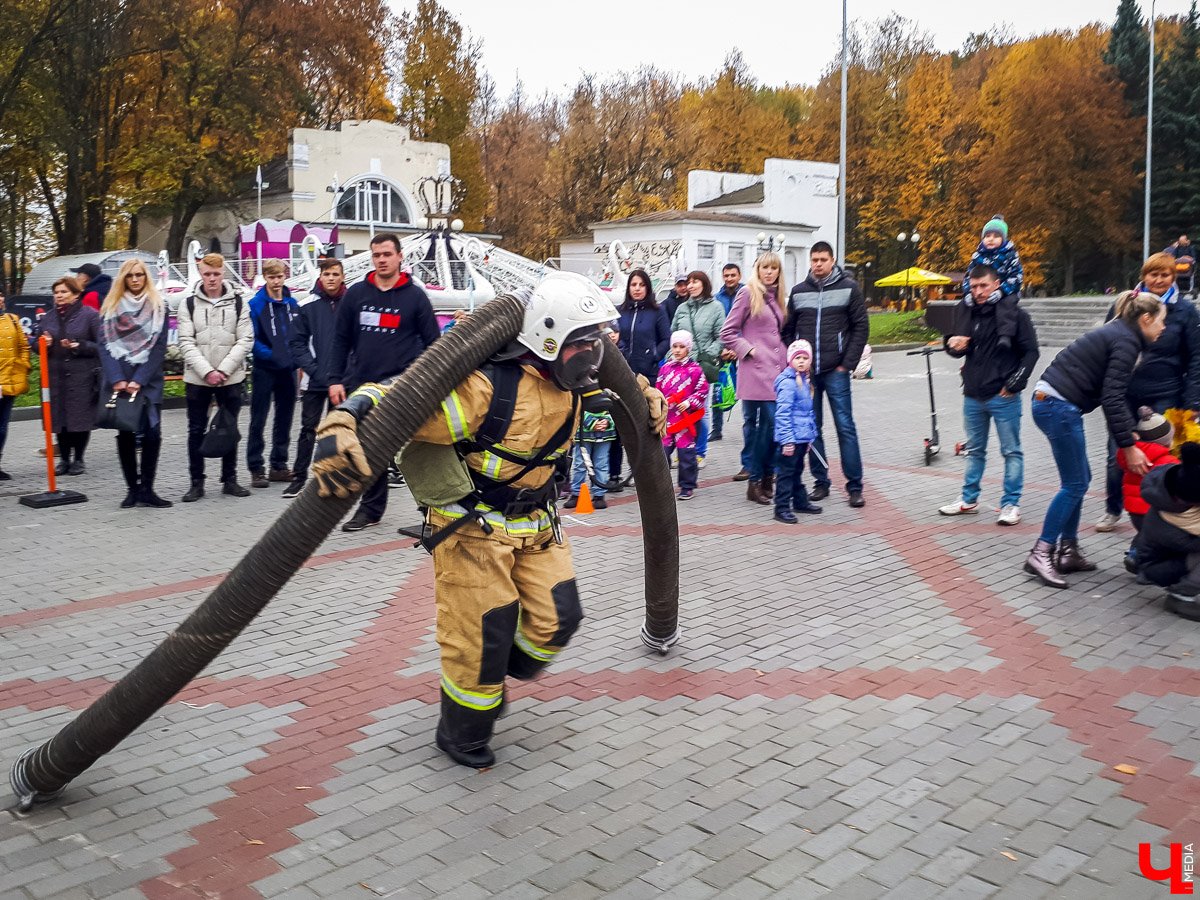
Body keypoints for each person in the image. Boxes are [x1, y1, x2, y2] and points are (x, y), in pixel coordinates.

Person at [309, 272, 666, 767]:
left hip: (539, 527)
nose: (593, 355)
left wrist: (642, 393)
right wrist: (346, 415)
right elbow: (403, 400)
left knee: (559, 619)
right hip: (472, 532)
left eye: (595, 341)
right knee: (480, 636)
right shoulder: (484, 390)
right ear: (545, 338)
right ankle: (463, 732)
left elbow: (616, 390)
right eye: (580, 343)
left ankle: (495, 669)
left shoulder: (571, 386)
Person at [1024, 290, 1167, 588]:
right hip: (1058, 405)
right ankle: (1042, 552)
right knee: (1075, 484)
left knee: (1079, 479)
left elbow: (1112, 395)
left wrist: (1128, 431)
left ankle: (1069, 551)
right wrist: (1128, 446)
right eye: (1161, 321)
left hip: (1052, 402)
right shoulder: (1126, 341)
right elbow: (1112, 398)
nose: (1163, 327)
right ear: (1145, 318)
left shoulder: (1122, 334)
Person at [327, 232, 439, 531]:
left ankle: (433, 512)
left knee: (416, 452)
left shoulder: (415, 297)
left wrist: (434, 384)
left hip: (405, 388)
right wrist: (335, 379)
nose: (381, 260)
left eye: (387, 254)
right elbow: (340, 340)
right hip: (364, 387)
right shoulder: (356, 295)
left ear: (400, 257)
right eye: (376, 255)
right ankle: (370, 511)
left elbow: (434, 345)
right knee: (368, 450)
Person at [1098, 253, 1200, 532]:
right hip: (1125, 394)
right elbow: (1107, 343)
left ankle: (1162, 511)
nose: (1158, 280)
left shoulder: (1186, 311)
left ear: (1173, 278)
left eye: (1164, 275)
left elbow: (1196, 358)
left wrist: (1193, 401)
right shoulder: (1126, 304)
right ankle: (1113, 508)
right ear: (1144, 276)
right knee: (1116, 455)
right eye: (1152, 274)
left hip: (1167, 394)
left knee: (1161, 457)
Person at [938, 266, 1039, 526]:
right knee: (974, 451)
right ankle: (969, 500)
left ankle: (1011, 504)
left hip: (1003, 395)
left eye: (983, 286)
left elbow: (1031, 352)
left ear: (996, 285)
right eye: (973, 287)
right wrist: (950, 344)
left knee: (1011, 451)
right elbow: (958, 347)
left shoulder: (1014, 315)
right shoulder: (968, 312)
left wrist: (1017, 382)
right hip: (973, 394)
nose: (978, 292)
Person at [783, 241, 869, 507]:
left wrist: (847, 364)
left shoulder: (849, 288)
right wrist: (795, 359)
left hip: (836, 370)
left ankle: (855, 486)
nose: (818, 264)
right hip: (807, 375)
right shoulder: (799, 292)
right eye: (814, 259)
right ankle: (821, 482)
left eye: (823, 259)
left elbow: (861, 327)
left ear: (832, 261)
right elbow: (788, 330)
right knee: (811, 429)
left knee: (846, 427)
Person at [177, 252, 254, 502]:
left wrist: (223, 370)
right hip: (198, 379)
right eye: (207, 274)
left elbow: (245, 339)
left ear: (224, 273)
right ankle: (196, 482)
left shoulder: (239, 303)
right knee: (196, 429)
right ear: (201, 274)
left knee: (228, 428)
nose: (212, 279)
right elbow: (185, 341)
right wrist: (207, 371)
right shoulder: (188, 304)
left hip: (230, 378)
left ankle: (229, 479)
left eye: (216, 274)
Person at [98, 259, 172, 508]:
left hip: (147, 382)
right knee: (126, 433)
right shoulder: (110, 307)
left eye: (140, 274)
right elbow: (104, 346)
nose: (136, 279)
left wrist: (139, 380)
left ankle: (147, 489)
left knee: (152, 435)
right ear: (123, 279)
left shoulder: (159, 306)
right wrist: (118, 379)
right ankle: (132, 489)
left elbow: (159, 348)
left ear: (146, 277)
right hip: (120, 380)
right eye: (130, 276)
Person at [720, 252, 787, 505]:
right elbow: (727, 332)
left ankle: (768, 476)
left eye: (773, 268)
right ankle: (755, 480)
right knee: (765, 426)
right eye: (764, 268)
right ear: (757, 270)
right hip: (756, 370)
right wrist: (749, 350)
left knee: (773, 428)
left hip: (777, 371)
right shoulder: (748, 293)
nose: (769, 272)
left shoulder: (778, 297)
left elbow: (778, 333)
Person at [285, 258, 345, 499]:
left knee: (337, 431)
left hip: (341, 381)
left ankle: (330, 478)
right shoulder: (307, 305)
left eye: (335, 274)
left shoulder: (351, 304)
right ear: (320, 277)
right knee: (308, 429)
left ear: (342, 277)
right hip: (313, 381)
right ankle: (299, 478)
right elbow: (297, 343)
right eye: (327, 274)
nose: (330, 278)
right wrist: (315, 370)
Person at [36, 276, 100, 475]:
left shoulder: (90, 315)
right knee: (60, 420)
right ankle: (64, 459)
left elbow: (102, 346)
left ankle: (79, 459)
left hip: (82, 377)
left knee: (79, 420)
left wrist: (80, 346)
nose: (59, 296)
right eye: (56, 292)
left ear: (76, 293)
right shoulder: (48, 316)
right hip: (56, 377)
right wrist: (42, 343)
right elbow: (35, 343)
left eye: (63, 292)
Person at [1130, 441, 1200, 620]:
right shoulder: (1165, 522)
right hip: (1158, 567)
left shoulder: (1177, 481)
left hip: (1176, 556)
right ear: (1182, 500)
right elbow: (1195, 545)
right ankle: (1181, 595)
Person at [613, 269, 669, 489]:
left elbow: (666, 338)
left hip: (646, 376)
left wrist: (655, 355)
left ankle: (640, 471)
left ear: (647, 287)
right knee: (619, 423)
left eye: (641, 285)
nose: (637, 288)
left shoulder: (658, 311)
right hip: (623, 374)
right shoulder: (620, 311)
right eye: (633, 284)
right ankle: (615, 473)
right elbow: (613, 336)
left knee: (643, 423)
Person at [246, 258, 299, 488]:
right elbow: (252, 339)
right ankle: (256, 468)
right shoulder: (255, 304)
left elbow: (298, 334)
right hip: (264, 368)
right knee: (259, 418)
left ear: (285, 276)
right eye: (271, 277)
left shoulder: (292, 303)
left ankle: (279, 464)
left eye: (279, 277)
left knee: (285, 418)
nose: (276, 282)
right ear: (265, 278)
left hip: (287, 369)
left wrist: (295, 356)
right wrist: (272, 355)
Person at [671, 270, 724, 470]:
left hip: (702, 366)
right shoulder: (682, 308)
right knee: (679, 409)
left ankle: (700, 452)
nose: (691, 286)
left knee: (700, 409)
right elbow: (673, 333)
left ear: (704, 284)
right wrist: (672, 358)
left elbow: (721, 336)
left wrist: (709, 354)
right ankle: (683, 449)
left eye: (695, 282)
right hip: (680, 366)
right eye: (689, 282)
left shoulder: (716, 307)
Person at [956, 215, 1024, 349]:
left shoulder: (1010, 255)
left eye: (996, 236)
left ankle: (1005, 335)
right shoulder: (978, 255)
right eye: (987, 236)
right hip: (981, 290)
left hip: (1005, 290)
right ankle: (961, 335)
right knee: (962, 305)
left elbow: (1016, 277)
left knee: (1007, 305)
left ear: (1003, 239)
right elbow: (969, 276)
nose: (991, 239)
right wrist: (968, 292)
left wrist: (1002, 291)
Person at [773, 340, 821, 523]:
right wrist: (787, 440)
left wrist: (809, 437)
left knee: (797, 471)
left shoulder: (805, 381)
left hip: (801, 437)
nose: (801, 361)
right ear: (790, 360)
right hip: (790, 439)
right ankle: (781, 507)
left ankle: (800, 502)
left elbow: (807, 414)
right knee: (786, 473)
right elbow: (783, 414)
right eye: (797, 358)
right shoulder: (788, 383)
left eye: (805, 358)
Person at [658, 330, 706, 500]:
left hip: (686, 420)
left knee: (686, 454)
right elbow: (658, 390)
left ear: (688, 348)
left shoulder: (695, 370)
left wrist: (690, 402)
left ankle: (687, 486)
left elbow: (702, 389)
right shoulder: (664, 369)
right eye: (675, 346)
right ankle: (661, 485)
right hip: (667, 419)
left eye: (681, 346)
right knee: (662, 453)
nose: (677, 350)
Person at [1117, 407, 1176, 535]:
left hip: (1134, 512)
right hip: (1157, 513)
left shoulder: (1130, 456)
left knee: (1143, 537)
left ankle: (1135, 553)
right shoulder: (1170, 462)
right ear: (1168, 440)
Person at [0, 286, 31, 480]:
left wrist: (22, 365)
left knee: (2, 426)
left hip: (8, 381)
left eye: (1, 295)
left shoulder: (12, 320)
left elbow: (23, 346)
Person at [712, 263, 744, 443]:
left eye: (733, 275)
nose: (729, 278)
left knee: (747, 389)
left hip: (744, 350)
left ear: (739, 276)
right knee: (718, 388)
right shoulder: (717, 298)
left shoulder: (748, 294)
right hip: (723, 352)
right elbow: (717, 326)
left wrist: (739, 348)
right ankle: (717, 429)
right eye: (726, 275)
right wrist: (723, 349)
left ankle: (750, 424)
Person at [565, 402, 615, 509]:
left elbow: (616, 408)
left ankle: (599, 495)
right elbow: (577, 406)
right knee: (580, 465)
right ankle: (576, 494)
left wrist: (607, 422)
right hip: (584, 433)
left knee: (601, 464)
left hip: (605, 433)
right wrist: (592, 423)